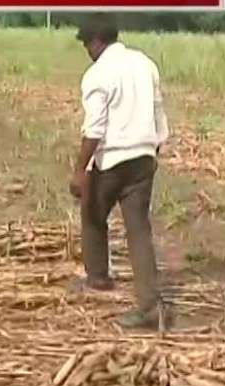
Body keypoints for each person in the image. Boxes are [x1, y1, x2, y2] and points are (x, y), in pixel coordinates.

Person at [68, 13, 169, 329]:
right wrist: (156, 146)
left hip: (113, 159)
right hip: (143, 157)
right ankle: (151, 306)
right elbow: (157, 109)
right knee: (139, 230)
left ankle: (97, 278)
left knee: (92, 213)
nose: (87, 50)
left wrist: (79, 170)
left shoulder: (98, 74)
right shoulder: (144, 63)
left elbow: (95, 129)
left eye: (87, 44)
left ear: (96, 42)